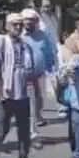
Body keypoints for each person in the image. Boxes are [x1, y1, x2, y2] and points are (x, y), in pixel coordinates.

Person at [0, 13, 38, 158]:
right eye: (15, 24)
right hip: (6, 93)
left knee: (24, 131)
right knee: (2, 128)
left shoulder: (25, 45)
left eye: (20, 25)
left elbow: (30, 69)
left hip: (23, 93)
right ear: (7, 26)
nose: (18, 27)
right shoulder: (0, 43)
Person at [21, 8, 57, 144]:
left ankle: (32, 126)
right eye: (26, 20)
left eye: (32, 20)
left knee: (37, 103)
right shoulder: (19, 36)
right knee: (29, 104)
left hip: (38, 75)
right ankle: (32, 133)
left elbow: (48, 53)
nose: (29, 23)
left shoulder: (42, 35)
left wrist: (51, 69)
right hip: (22, 76)